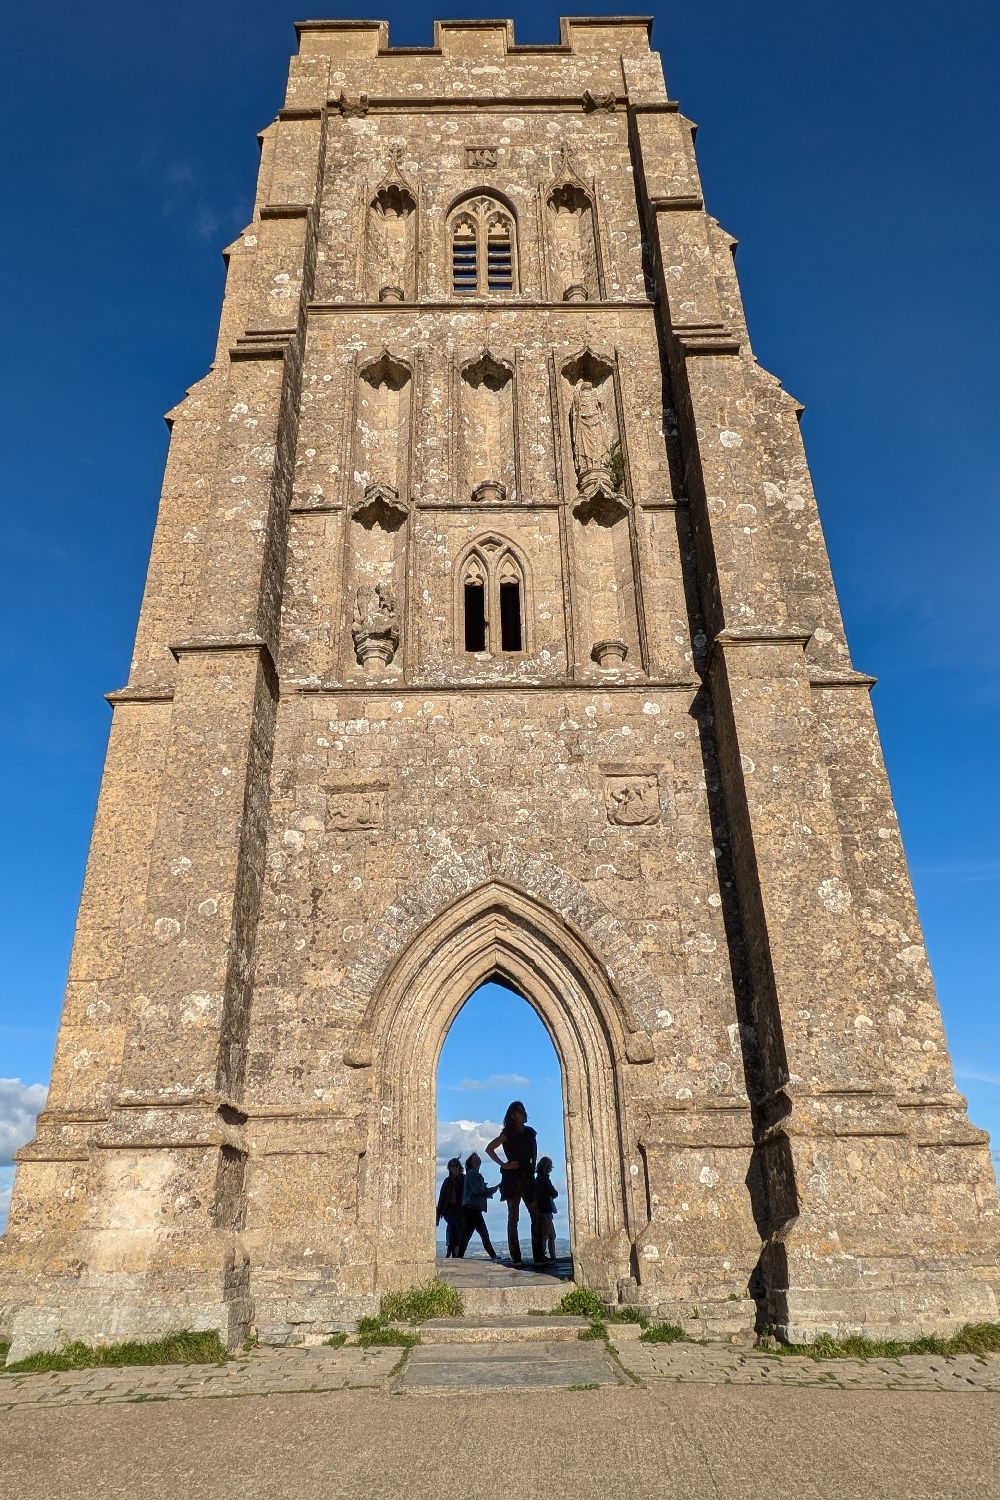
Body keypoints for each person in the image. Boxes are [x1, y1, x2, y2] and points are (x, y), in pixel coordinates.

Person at [486, 1100, 543, 1266]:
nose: (524, 1112)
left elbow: (534, 1156)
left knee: (536, 1215)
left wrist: (532, 1171)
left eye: (524, 1109)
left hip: (527, 1177)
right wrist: (504, 1164)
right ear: (513, 1115)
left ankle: (538, 1256)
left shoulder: (531, 1133)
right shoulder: (507, 1133)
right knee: (513, 1217)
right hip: (512, 1180)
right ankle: (516, 1257)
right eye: (520, 1110)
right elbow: (489, 1148)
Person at [458, 1152, 499, 1260]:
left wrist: (490, 1190)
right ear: (472, 1161)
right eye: (476, 1157)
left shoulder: (474, 1174)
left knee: (467, 1235)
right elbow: (478, 1190)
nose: (479, 1158)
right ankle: (493, 1256)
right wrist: (491, 1190)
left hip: (472, 1209)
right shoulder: (472, 1174)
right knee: (483, 1234)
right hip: (472, 1209)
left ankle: (459, 1256)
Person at [436, 1157, 465, 1258]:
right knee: (453, 1226)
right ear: (450, 1168)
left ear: (459, 1167)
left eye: (456, 1166)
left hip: (461, 1210)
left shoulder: (463, 1179)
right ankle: (452, 1250)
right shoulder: (447, 1181)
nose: (455, 1168)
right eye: (452, 1166)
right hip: (449, 1209)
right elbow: (442, 1197)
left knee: (459, 1229)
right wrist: (438, 1213)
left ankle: (454, 1250)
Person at [533, 1157, 558, 1263]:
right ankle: (542, 1257)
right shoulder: (544, 1179)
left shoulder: (538, 1179)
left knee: (551, 1235)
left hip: (544, 1209)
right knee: (547, 1235)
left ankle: (551, 1257)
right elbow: (553, 1192)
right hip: (545, 1210)